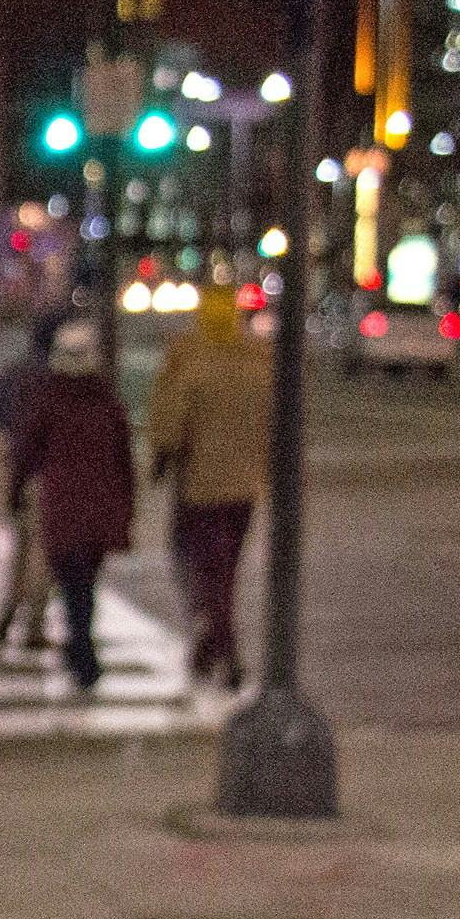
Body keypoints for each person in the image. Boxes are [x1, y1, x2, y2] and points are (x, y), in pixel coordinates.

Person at [147, 295, 271, 689]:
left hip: (200, 486)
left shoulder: (191, 357)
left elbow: (171, 420)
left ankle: (221, 643)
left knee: (192, 562)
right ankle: (212, 639)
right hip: (244, 486)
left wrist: (162, 456)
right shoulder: (257, 361)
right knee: (226, 569)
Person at [9, 320, 135, 694]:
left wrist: (16, 491)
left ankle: (80, 650)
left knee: (70, 581)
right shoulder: (108, 404)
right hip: (98, 510)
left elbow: (27, 455)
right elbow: (123, 464)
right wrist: (125, 509)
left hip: (61, 508)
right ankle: (80, 648)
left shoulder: (47, 402)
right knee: (85, 583)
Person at [0, 300, 58, 656]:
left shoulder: (17, 373)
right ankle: (31, 624)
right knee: (40, 553)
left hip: (19, 466)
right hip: (46, 472)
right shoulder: (53, 380)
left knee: (22, 548)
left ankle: (8, 615)